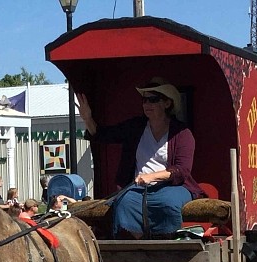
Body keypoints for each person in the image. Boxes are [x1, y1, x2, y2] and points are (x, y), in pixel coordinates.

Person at [77, 78, 204, 239]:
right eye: (144, 100)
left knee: (167, 203)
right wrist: (87, 119)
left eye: (153, 100)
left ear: (167, 103)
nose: (147, 104)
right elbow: (102, 135)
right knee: (124, 202)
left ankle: (169, 245)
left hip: (173, 187)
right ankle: (142, 245)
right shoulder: (136, 127)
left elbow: (182, 171)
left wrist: (152, 176)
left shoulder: (182, 133)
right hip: (137, 189)